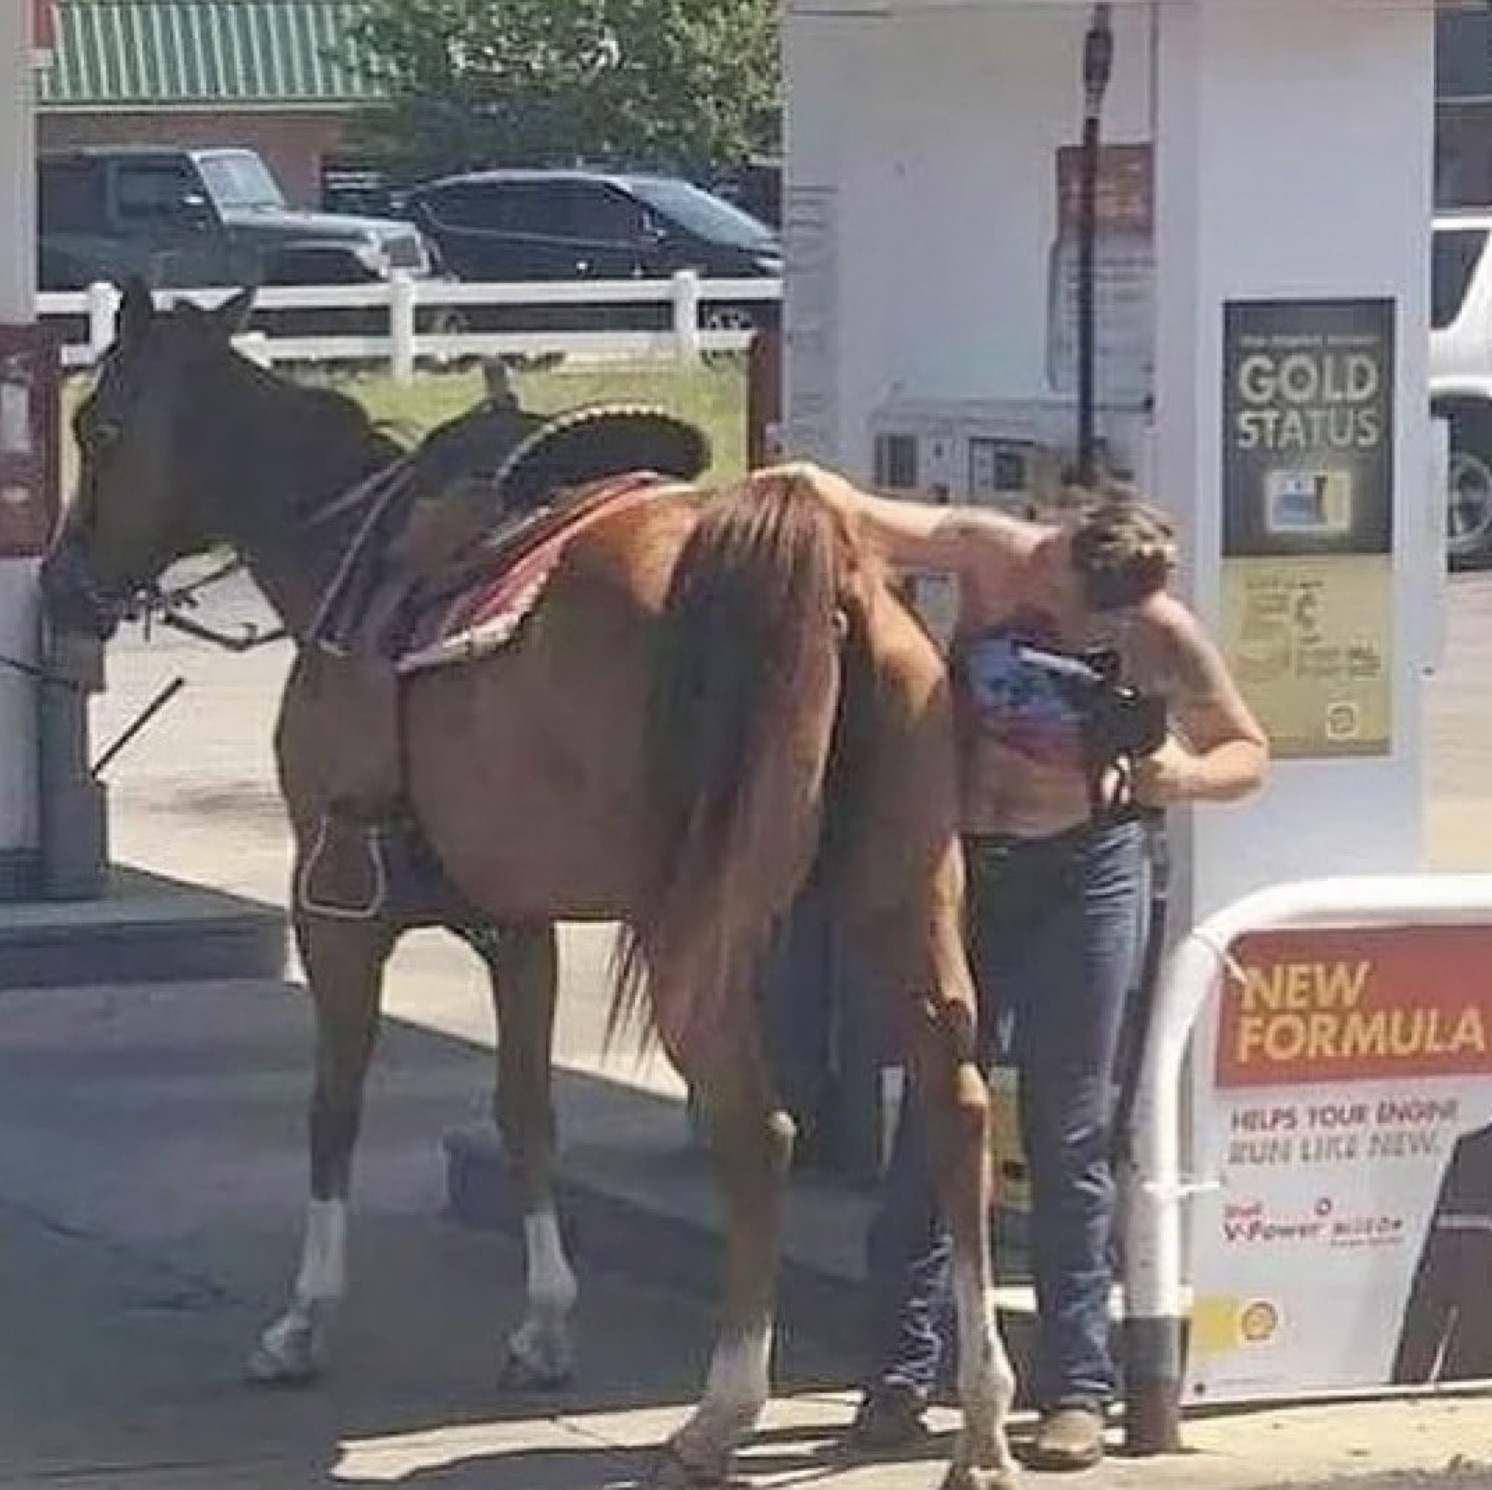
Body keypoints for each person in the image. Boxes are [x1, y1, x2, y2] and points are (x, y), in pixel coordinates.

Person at [798, 466, 1270, 1471]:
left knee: (1067, 1128)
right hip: (964, 863)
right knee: (933, 1104)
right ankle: (897, 1368)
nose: (1052, 608)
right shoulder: (992, 555)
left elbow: (1245, 749)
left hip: (1083, 866)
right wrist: (789, 482)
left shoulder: (1156, 631)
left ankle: (1075, 1387)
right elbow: (865, 514)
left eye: (1078, 615)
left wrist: (1172, 773)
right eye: (1053, 587)